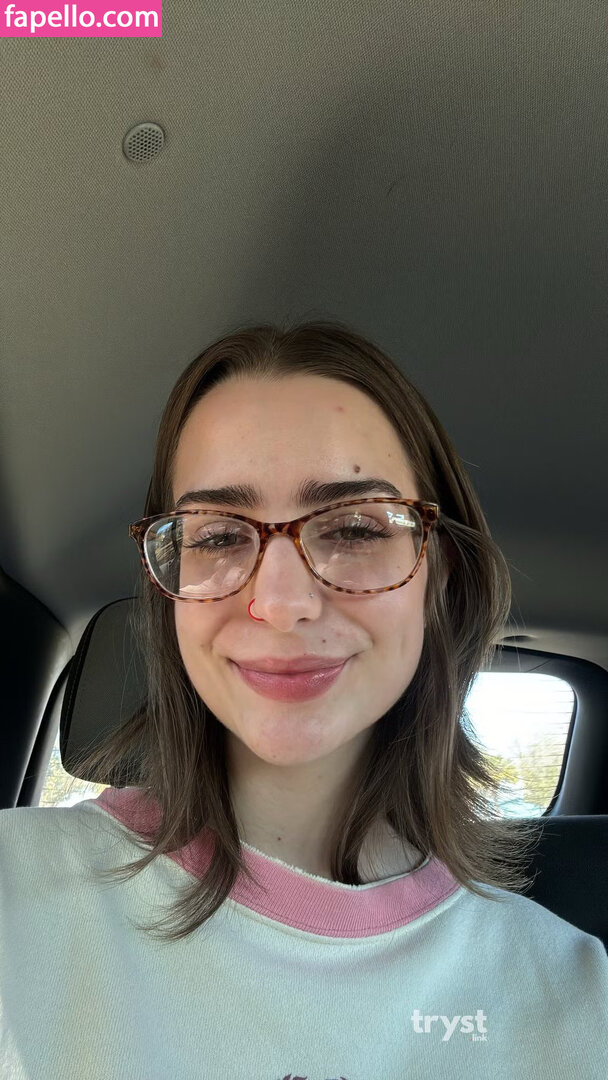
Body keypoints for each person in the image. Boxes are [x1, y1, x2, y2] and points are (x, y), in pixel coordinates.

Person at [1, 320, 606, 1079]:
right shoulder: (15, 893)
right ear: (172, 587)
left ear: (439, 575)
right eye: (218, 536)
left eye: (353, 528)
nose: (281, 603)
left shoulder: (575, 1000)